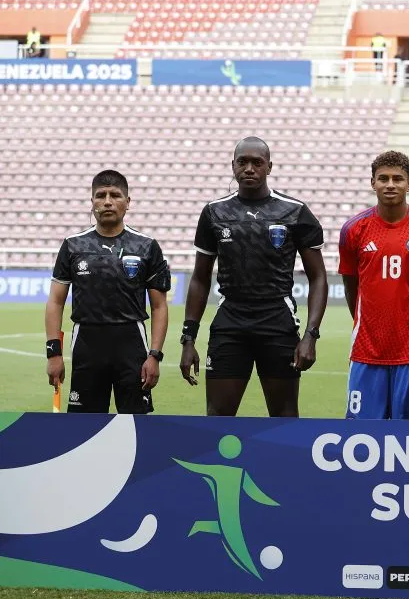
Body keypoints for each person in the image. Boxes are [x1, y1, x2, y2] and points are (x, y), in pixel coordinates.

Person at [180, 137, 328, 417]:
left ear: (269, 167)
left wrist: (311, 335)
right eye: (243, 162)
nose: (249, 168)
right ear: (233, 165)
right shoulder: (214, 212)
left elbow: (318, 277)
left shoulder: (295, 211)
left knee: (284, 417)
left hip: (278, 322)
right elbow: (199, 278)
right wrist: (188, 338)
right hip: (230, 322)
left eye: (257, 162)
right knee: (218, 417)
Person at [339, 150, 409, 420]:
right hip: (366, 351)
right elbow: (351, 286)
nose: (390, 184)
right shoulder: (353, 230)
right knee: (361, 435)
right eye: (383, 178)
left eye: (398, 179)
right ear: (373, 183)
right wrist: (367, 325)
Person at [45, 170, 170, 413]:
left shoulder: (146, 246)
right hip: (87, 344)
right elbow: (55, 302)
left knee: (136, 424)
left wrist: (154, 355)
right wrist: (53, 353)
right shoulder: (72, 245)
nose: (108, 201)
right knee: (84, 426)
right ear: (92, 202)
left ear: (128, 202)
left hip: (132, 344)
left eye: (115, 195)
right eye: (100, 195)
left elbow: (158, 306)